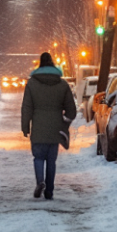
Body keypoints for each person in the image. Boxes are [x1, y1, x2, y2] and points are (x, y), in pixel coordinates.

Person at [21, 52, 76, 200]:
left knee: (38, 157)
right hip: (55, 127)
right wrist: (65, 122)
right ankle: (49, 191)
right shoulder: (63, 84)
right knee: (51, 160)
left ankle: (40, 181)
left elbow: (27, 107)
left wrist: (25, 126)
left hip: (38, 126)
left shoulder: (32, 84)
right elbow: (72, 110)